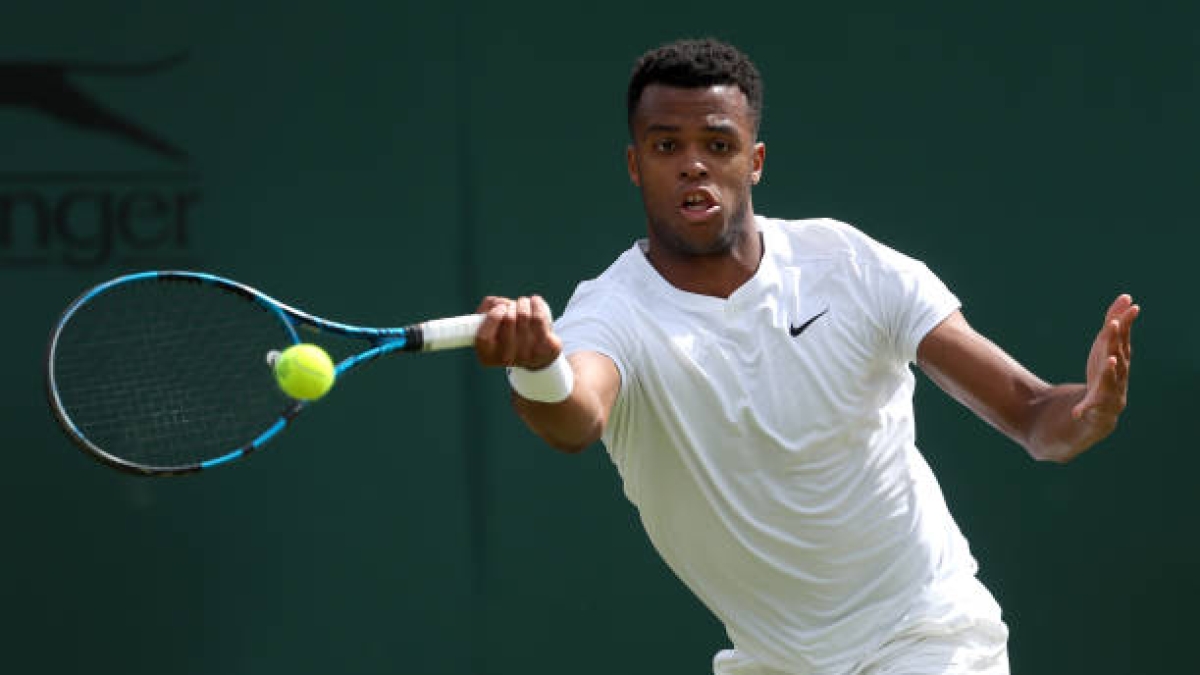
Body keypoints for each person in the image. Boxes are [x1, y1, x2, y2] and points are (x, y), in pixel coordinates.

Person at [472, 38, 1139, 675]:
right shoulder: (612, 309)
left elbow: (1030, 411)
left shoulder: (849, 266)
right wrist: (534, 363)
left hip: (929, 640)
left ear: (754, 161)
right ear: (634, 164)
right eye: (666, 145)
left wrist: (1084, 410)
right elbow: (575, 414)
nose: (693, 164)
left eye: (718, 144)